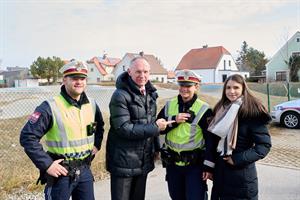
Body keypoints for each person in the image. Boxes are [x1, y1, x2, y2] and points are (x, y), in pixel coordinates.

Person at [20, 60, 105, 200]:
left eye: (82, 78)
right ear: (64, 80)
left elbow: (99, 126)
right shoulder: (50, 107)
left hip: (85, 171)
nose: (79, 82)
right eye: (74, 78)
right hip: (61, 173)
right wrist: (47, 165)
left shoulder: (92, 104)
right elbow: (28, 137)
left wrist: (97, 144)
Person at [106, 56, 170, 200]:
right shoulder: (119, 96)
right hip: (123, 162)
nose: (142, 76)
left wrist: (156, 148)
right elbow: (123, 128)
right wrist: (155, 128)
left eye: (146, 72)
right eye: (138, 72)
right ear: (129, 72)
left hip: (143, 160)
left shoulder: (150, 94)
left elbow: (150, 121)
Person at [208, 74, 272, 200]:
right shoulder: (220, 110)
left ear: (243, 89)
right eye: (228, 88)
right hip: (221, 175)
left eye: (236, 87)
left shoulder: (252, 112)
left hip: (242, 177)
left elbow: (264, 145)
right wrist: (209, 166)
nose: (231, 91)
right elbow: (213, 141)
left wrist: (237, 159)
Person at [157, 69, 217, 200]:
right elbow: (159, 128)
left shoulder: (204, 109)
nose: (184, 89)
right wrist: (174, 120)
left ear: (196, 87)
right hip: (173, 165)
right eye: (181, 85)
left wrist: (209, 166)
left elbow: (210, 141)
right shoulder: (169, 105)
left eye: (188, 86)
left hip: (195, 166)